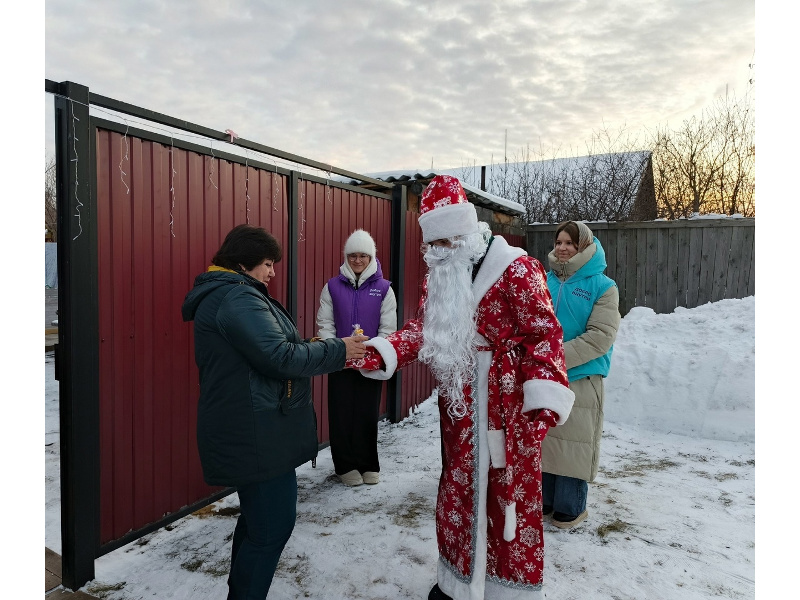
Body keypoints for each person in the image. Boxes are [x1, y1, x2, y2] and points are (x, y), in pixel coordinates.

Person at [349, 175, 575, 600]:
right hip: (459, 409)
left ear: (467, 232)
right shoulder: (441, 274)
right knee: (457, 495)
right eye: (432, 245)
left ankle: (508, 590)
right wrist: (384, 351)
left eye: (446, 242)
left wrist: (542, 397)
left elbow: (544, 334)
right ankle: (455, 583)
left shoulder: (517, 268)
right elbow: (423, 329)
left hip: (508, 409)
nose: (438, 252)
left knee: (508, 500)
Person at [181, 224, 368, 600]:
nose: (272, 272)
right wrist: (338, 350)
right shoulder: (237, 298)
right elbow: (280, 357)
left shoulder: (233, 294)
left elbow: (271, 349)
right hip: (256, 432)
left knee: (258, 524)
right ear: (243, 263)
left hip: (253, 426)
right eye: (267, 263)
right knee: (271, 529)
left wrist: (315, 345)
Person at [541, 220, 620, 529]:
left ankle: (569, 507)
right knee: (546, 439)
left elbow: (600, 337)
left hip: (581, 375)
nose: (562, 248)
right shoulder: (543, 280)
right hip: (544, 373)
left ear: (584, 247)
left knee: (574, 443)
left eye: (570, 243)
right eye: (559, 241)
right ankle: (545, 501)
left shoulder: (603, 286)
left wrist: (552, 356)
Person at [315, 229, 398, 486]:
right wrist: (336, 347)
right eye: (353, 256)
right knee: (341, 414)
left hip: (369, 361)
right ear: (346, 257)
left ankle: (368, 463)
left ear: (371, 257)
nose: (358, 260)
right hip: (340, 360)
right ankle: (345, 466)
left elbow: (388, 327)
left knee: (366, 412)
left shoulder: (384, 289)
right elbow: (325, 322)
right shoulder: (332, 287)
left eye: (363, 255)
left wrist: (373, 351)